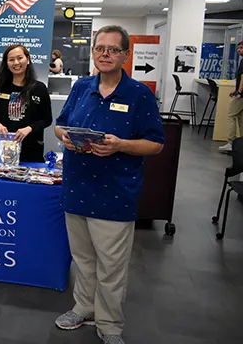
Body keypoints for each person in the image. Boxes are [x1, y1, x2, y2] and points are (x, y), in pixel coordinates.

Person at [53, 25, 165, 344]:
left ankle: (110, 323)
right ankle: (84, 308)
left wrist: (121, 145)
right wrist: (69, 139)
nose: (105, 54)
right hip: (77, 188)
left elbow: (155, 144)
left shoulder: (139, 94)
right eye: (100, 48)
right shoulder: (81, 87)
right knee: (84, 259)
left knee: (112, 267)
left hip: (115, 193)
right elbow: (61, 127)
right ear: (93, 52)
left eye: (113, 49)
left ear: (125, 55)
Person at [0, 44, 53, 162]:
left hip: (31, 149)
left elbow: (47, 119)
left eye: (20, 58)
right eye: (11, 60)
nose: (16, 63)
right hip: (4, 147)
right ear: (6, 64)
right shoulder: (0, 87)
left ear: (27, 60)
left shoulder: (39, 88)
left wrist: (29, 128)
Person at [218, 41, 243, 153]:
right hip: (240, 93)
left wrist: (239, 92)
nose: (239, 50)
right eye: (238, 48)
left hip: (241, 96)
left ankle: (231, 142)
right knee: (240, 118)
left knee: (231, 116)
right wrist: (236, 89)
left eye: (242, 48)